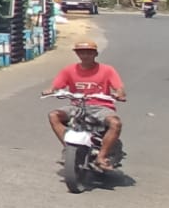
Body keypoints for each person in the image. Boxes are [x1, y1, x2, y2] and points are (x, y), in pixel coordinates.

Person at [42, 40, 126, 171]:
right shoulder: (69, 70)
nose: (85, 55)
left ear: (95, 54)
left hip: (101, 106)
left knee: (115, 123)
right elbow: (56, 85)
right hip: (77, 106)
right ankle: (69, 148)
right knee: (54, 115)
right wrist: (51, 90)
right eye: (81, 52)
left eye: (89, 53)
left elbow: (118, 87)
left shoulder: (107, 70)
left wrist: (119, 94)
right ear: (77, 54)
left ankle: (101, 157)